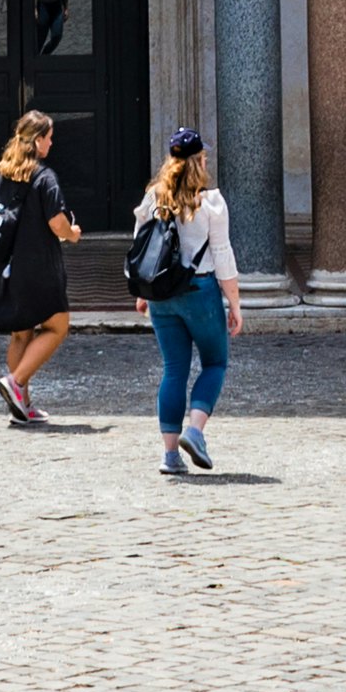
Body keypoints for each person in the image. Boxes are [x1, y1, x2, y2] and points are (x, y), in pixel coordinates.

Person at [135, 127, 239, 473]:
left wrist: (142, 294)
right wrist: (234, 304)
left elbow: (141, 247)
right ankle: (195, 431)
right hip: (200, 292)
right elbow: (222, 256)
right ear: (200, 161)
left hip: (162, 295)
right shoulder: (210, 202)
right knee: (215, 363)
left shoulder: (153, 197)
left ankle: (169, 457)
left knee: (174, 369)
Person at [0, 108, 81, 424]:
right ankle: (16, 382)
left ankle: (21, 405)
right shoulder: (44, 177)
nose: (51, 144)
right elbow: (57, 222)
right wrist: (73, 234)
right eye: (49, 138)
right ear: (37, 140)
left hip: (6, 267)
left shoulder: (0, 174)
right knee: (58, 325)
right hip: (38, 268)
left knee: (21, 335)